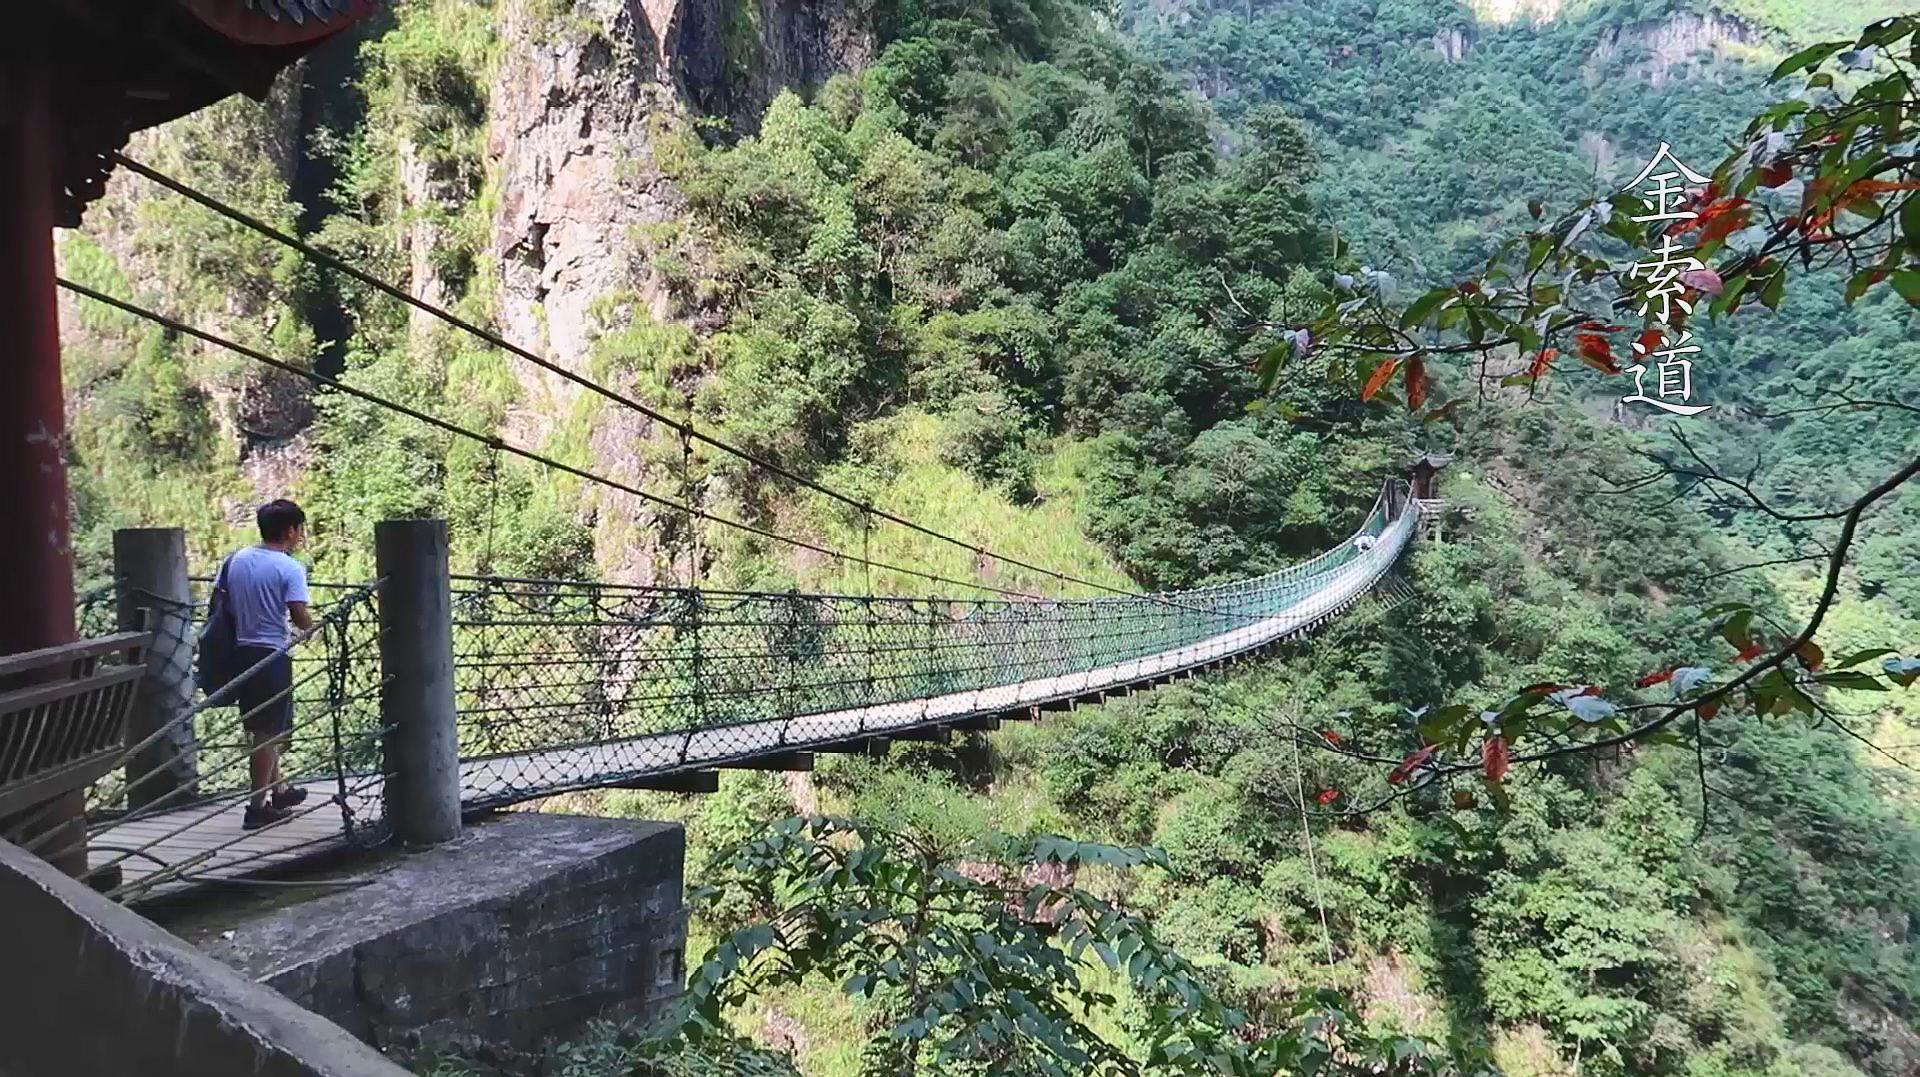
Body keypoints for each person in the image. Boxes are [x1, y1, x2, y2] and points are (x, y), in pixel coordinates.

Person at [224, 499, 314, 831]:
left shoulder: (238, 559)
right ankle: (256, 807)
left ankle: (280, 790)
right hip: (271, 655)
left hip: (241, 651)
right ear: (290, 530)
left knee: (260, 729)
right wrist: (314, 629)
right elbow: (299, 615)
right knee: (267, 733)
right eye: (299, 529)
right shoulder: (290, 568)